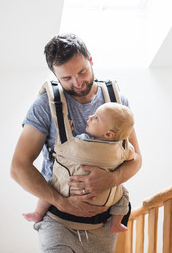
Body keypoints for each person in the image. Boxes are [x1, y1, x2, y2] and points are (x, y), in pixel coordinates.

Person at [11, 33, 142, 253]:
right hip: (58, 220)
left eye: (82, 72)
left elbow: (136, 159)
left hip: (103, 224)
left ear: (91, 60)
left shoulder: (117, 103)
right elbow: (18, 167)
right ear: (55, 76)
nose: (78, 83)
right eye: (67, 78)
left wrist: (112, 179)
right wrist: (62, 202)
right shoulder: (44, 107)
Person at [23, 102, 136, 234]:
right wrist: (129, 151)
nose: (89, 117)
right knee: (123, 194)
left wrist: (67, 132)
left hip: (70, 191)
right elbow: (132, 157)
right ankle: (116, 223)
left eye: (96, 118)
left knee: (51, 184)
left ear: (109, 134)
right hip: (103, 200)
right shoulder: (121, 149)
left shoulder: (83, 140)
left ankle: (37, 213)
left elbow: (69, 148)